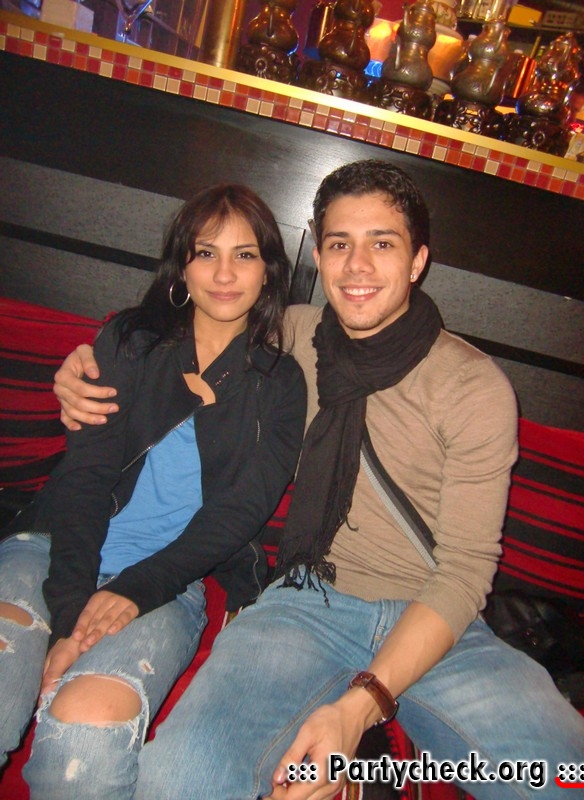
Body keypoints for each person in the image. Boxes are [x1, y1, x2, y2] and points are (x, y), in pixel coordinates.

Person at [53, 160, 584, 800]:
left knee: (571, 778)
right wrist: (82, 371)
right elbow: (172, 334)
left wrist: (361, 706)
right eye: (340, 244)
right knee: (178, 780)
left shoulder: (473, 387)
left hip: (434, 620)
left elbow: (464, 572)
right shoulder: (288, 335)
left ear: (418, 261)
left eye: (382, 244)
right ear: (318, 253)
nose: (357, 266)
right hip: (304, 605)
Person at [0, 184, 307, 799]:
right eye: (205, 253)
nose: (225, 273)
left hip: (166, 580)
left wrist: (135, 589)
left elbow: (239, 513)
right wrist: (70, 619)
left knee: (87, 734)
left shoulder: (280, 383)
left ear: (269, 272)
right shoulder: (130, 341)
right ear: (181, 267)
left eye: (245, 255)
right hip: (54, 548)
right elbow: (86, 478)